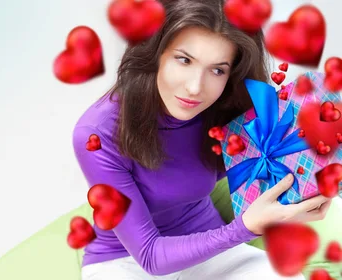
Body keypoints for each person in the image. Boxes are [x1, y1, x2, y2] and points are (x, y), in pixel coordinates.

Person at [71, 0, 333, 279]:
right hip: (127, 260)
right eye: (184, 60)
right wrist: (243, 228)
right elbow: (150, 255)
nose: (195, 88)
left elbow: (268, 166)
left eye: (217, 70)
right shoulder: (97, 133)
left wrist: (304, 193)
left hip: (209, 245)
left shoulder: (223, 106)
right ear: (154, 52)